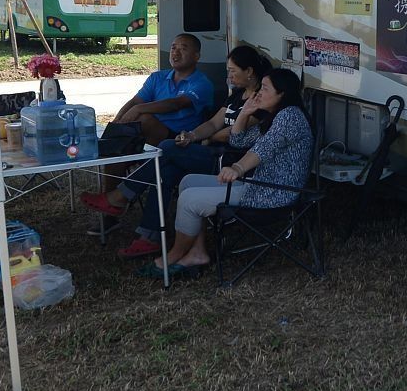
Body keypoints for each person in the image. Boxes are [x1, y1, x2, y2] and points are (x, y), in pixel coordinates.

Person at [84, 44, 271, 259]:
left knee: (166, 148)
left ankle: (121, 196)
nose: (228, 75)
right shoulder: (237, 95)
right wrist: (192, 135)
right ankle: (149, 236)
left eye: (233, 71)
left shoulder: (259, 100)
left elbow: (230, 133)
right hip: (212, 153)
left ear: (249, 72)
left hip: (231, 162)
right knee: (166, 171)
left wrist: (208, 138)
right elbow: (212, 123)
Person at [136, 67, 313, 280]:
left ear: (282, 94)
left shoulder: (289, 116)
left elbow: (261, 150)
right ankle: (197, 252)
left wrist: (237, 168)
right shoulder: (276, 116)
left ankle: (174, 255)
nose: (258, 93)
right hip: (259, 184)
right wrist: (245, 112)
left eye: (264, 89)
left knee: (190, 200)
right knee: (188, 182)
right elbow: (238, 140)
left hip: (271, 193)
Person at [89, 32, 216, 192]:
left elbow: (176, 104)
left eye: (183, 48)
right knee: (117, 148)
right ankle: (109, 204)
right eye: (173, 47)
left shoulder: (202, 83)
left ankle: (120, 194)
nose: (176, 52)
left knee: (144, 119)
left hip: (178, 139)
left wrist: (139, 109)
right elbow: (135, 101)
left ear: (196, 56)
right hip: (148, 135)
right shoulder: (158, 77)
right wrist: (116, 124)